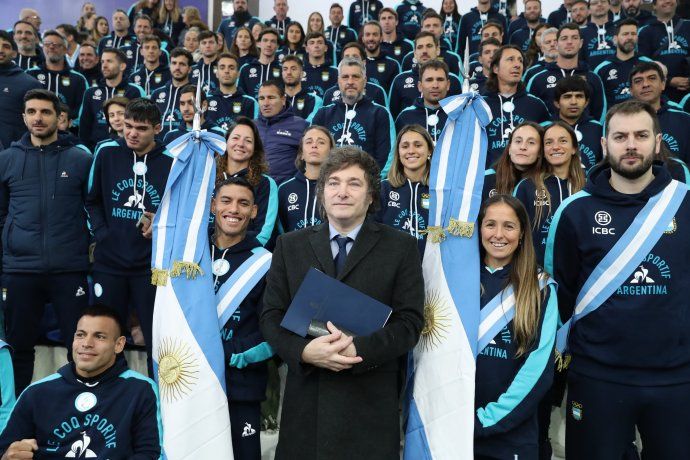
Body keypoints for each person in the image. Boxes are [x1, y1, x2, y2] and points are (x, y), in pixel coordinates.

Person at [545, 99, 690, 460]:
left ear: (657, 142)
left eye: (641, 135)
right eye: (620, 136)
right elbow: (561, 297)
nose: (630, 145)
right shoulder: (575, 211)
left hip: (677, 378)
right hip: (597, 378)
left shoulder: (686, 205)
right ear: (604, 144)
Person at [260, 146, 425, 459]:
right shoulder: (290, 246)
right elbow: (271, 317)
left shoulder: (401, 247)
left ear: (371, 195)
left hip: (369, 410)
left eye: (354, 183)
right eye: (333, 183)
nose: (342, 192)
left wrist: (357, 350)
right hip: (306, 408)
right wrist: (304, 351)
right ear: (322, 193)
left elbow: (410, 323)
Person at [1, 90, 91, 396]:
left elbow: (93, 209)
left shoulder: (81, 159)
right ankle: (13, 415)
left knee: (78, 346)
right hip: (21, 269)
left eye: (45, 112)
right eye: (32, 111)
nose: (38, 118)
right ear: (24, 116)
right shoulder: (8, 159)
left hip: (69, 268)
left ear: (60, 118)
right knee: (18, 347)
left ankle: (79, 407)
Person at [0, 305, 162, 459]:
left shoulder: (141, 389)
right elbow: (6, 448)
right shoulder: (36, 392)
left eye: (99, 336)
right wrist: (8, 455)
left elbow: (151, 453)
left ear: (119, 345)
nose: (86, 344)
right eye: (80, 335)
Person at [86, 98, 172, 375]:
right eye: (128, 126)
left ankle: (156, 400)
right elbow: (92, 200)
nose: (132, 133)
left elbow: (178, 212)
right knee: (106, 335)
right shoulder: (107, 153)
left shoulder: (171, 161)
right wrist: (104, 234)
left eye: (141, 128)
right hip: (109, 263)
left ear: (157, 129)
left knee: (156, 339)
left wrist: (159, 225)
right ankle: (110, 392)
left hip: (150, 267)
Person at [474, 194, 558, 459]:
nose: (498, 234)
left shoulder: (541, 287)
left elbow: (538, 369)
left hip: (510, 436)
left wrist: (487, 419)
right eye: (490, 224)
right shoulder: (455, 280)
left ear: (522, 233)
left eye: (509, 226)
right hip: (453, 429)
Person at [211, 177, 274, 459]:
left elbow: (272, 331)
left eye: (243, 203)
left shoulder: (266, 262)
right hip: (194, 382)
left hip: (241, 386)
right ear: (213, 205)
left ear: (254, 212)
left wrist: (223, 353)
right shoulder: (191, 253)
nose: (233, 209)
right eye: (226, 201)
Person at [514, 121, 585, 264]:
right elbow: (516, 233)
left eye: (563, 141)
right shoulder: (526, 187)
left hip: (581, 276)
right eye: (548, 142)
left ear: (574, 148)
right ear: (543, 152)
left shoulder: (589, 187)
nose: (556, 147)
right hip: (537, 276)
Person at [312, 57, 394, 173]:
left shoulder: (380, 113)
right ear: (339, 81)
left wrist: (370, 184)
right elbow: (313, 151)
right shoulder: (323, 114)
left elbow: (386, 158)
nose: (350, 82)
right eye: (345, 77)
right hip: (330, 182)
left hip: (365, 184)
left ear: (365, 81)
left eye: (355, 77)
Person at [483, 45, 550, 167]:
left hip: (527, 176)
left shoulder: (536, 105)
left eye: (520, 60)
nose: (517, 65)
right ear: (496, 68)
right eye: (510, 59)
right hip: (490, 176)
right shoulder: (481, 105)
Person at [526, 23, 606, 123]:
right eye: (564, 38)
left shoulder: (593, 78)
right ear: (556, 44)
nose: (569, 42)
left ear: (581, 43)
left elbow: (600, 114)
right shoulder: (538, 79)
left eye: (574, 38)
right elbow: (531, 113)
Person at [217, 117, 278, 248]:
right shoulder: (208, 177)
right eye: (235, 138)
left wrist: (231, 252)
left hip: (245, 257)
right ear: (226, 142)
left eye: (248, 141)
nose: (240, 144)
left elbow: (263, 234)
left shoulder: (266, 184)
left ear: (255, 148)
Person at [377, 124, 432, 255]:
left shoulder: (440, 190)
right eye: (405, 146)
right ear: (398, 152)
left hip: (431, 267)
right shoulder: (382, 188)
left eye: (418, 145)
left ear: (429, 150)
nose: (411, 151)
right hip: (391, 265)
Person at [78, 48, 145, 150]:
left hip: (127, 149)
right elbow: (84, 127)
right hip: (95, 150)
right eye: (102, 62)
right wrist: (87, 151)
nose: (104, 66)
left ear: (122, 66)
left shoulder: (135, 91)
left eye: (109, 61)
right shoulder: (90, 92)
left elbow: (142, 121)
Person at [389, 31, 461, 120]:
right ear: (414, 53)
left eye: (429, 46)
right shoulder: (400, 80)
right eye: (420, 47)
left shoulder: (453, 80)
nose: (424, 51)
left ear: (438, 49)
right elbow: (393, 115)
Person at [630, 61, 690, 163]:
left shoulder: (685, 120)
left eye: (652, 78)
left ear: (663, 84)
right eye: (638, 81)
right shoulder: (619, 121)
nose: (645, 84)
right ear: (631, 90)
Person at [278, 126, 334, 232]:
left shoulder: (337, 187)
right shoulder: (284, 189)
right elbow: (281, 231)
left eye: (321, 142)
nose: (314, 145)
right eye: (309, 142)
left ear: (331, 152)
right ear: (302, 154)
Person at [26, 30, 88, 126]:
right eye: (47, 44)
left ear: (65, 49)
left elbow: (83, 110)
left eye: (56, 45)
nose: (51, 47)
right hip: (35, 131)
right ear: (42, 48)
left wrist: (66, 123)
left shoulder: (78, 79)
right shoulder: (30, 74)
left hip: (68, 134)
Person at [255, 80, 308, 185]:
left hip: (286, 191)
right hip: (254, 189)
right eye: (261, 98)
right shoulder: (251, 127)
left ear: (283, 100)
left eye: (271, 98)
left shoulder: (301, 126)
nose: (265, 103)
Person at [637, 0, 689, 103]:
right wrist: (669, 80)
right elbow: (643, 64)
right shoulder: (645, 32)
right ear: (654, 5)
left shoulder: (688, 26)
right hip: (661, 96)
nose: (668, 1)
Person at [0, 31, 43, 153]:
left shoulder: (30, 84)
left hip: (14, 156)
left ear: (14, 53)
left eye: (6, 46)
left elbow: (38, 124)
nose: (0, 50)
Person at [550, 76, 603, 172]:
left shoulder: (598, 129)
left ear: (586, 102)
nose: (574, 102)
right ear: (557, 103)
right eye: (567, 96)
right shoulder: (545, 128)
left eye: (579, 96)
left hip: (589, 186)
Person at [483, 121, 545, 201]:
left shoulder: (549, 181)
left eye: (531, 142)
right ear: (509, 148)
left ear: (540, 152)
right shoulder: (485, 178)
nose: (523, 147)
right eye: (518, 141)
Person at [593, 18, 648, 109]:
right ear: (615, 39)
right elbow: (598, 103)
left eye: (633, 34)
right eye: (625, 34)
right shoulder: (602, 69)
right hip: (614, 120)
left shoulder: (649, 64)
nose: (630, 37)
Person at [394, 61, 450, 145]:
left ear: (448, 85)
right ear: (420, 86)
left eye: (440, 80)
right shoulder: (405, 116)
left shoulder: (458, 114)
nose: (435, 85)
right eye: (429, 80)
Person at [321, 43, 388, 108]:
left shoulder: (377, 91)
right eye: (347, 57)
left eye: (355, 57)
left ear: (364, 63)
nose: (350, 60)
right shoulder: (329, 93)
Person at [206, 53, 258, 132]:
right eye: (222, 68)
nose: (227, 71)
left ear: (238, 73)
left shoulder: (250, 102)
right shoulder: (206, 100)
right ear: (216, 73)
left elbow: (254, 132)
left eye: (231, 68)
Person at [151, 47, 193, 136]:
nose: (177, 67)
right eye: (174, 63)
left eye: (182, 64)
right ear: (170, 66)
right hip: (159, 146)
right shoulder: (157, 93)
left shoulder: (196, 94)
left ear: (189, 69)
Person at [238, 28, 281, 98]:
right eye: (265, 40)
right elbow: (241, 96)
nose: (269, 44)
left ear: (278, 46)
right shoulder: (246, 68)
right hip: (252, 108)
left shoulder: (282, 69)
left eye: (273, 41)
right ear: (258, 44)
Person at [360, 21, 401, 91]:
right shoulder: (356, 63)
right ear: (363, 38)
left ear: (381, 38)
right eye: (367, 35)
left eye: (375, 34)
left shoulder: (392, 65)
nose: (371, 38)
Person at [282, 55, 322, 122]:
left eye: (293, 69)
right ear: (282, 73)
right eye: (285, 69)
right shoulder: (276, 99)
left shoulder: (314, 100)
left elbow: (310, 126)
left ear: (302, 74)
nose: (288, 72)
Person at [302, 32, 338, 98]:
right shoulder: (299, 72)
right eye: (312, 43)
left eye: (320, 42)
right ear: (306, 49)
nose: (316, 46)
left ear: (326, 48)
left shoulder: (335, 72)